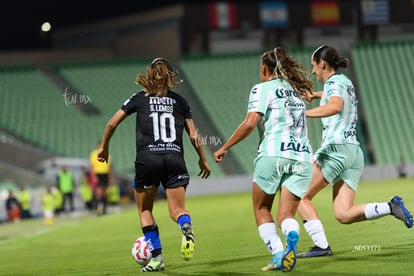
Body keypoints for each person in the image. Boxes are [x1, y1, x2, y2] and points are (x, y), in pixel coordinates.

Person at [296, 45, 413, 258]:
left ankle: (321, 247)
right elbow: (335, 96)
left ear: (322, 64)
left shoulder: (334, 83)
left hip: (336, 149)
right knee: (343, 213)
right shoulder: (344, 82)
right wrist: (316, 94)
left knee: (298, 196)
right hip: (353, 153)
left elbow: (335, 106)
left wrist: (304, 115)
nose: (313, 72)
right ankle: (390, 206)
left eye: (313, 66)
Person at [96, 57, 211, 272]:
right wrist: (202, 159)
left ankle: (157, 258)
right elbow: (194, 136)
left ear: (150, 74)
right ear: (171, 75)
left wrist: (104, 147)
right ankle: (185, 225)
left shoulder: (138, 99)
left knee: (145, 209)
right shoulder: (180, 101)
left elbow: (112, 123)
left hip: (148, 159)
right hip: (175, 158)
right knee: (177, 209)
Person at [214, 47, 314, 272]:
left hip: (272, 154)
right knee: (286, 214)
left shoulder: (262, 88)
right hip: (302, 157)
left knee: (261, 208)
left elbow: (250, 123)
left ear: (264, 69)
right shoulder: (296, 91)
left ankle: (278, 253)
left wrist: (225, 147)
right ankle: (292, 233)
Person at [90, 141, 114, 215]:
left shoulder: (107, 154)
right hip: (98, 174)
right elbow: (92, 166)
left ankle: (104, 209)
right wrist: (94, 176)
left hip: (105, 174)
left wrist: (110, 177)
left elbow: (109, 167)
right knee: (99, 193)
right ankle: (98, 209)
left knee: (105, 193)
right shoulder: (94, 154)